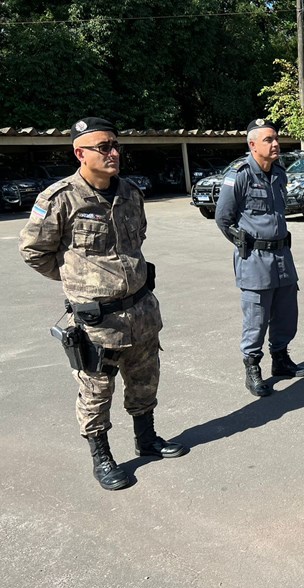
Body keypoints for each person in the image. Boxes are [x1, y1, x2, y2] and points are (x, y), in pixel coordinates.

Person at [19, 117, 186, 491]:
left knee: (145, 382)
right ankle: (102, 456)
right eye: (103, 147)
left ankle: (147, 439)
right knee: (96, 391)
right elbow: (34, 251)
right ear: (80, 153)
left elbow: (137, 239)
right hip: (98, 321)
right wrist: (78, 279)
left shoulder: (130, 193)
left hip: (141, 312)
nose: (113, 153)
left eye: (115, 145)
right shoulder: (59, 198)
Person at [215, 118, 304, 398]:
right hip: (255, 259)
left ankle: (280, 360)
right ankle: (252, 367)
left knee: (286, 314)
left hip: (283, 256)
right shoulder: (240, 174)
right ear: (252, 145)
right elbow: (223, 218)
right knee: (256, 317)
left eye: (276, 138)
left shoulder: (279, 172)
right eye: (268, 140)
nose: (275, 143)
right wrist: (245, 244)